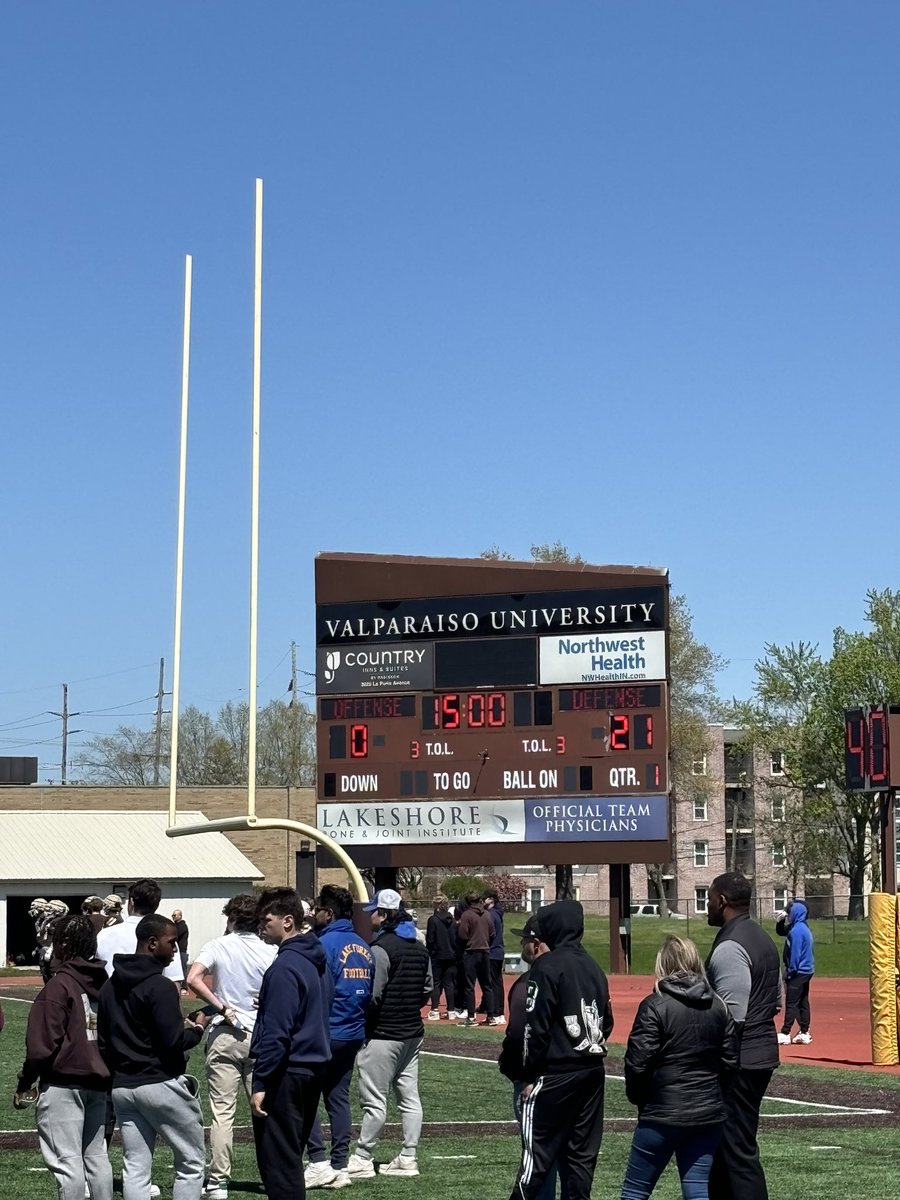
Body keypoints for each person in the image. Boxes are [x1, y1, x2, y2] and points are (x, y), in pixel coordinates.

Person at [97, 913, 208, 1200]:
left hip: (123, 1085)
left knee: (135, 1167)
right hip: (159, 1082)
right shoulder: (159, 986)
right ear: (152, 942)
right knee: (191, 1162)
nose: (175, 949)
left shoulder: (110, 986)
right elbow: (173, 1041)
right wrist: (197, 1028)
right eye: (172, 943)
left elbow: (104, 1041)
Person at [620, 935, 739, 1200]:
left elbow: (637, 1063)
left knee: (635, 1191)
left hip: (662, 1113)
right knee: (697, 1190)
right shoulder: (718, 1005)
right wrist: (714, 1094)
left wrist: (642, 1100)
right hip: (707, 1111)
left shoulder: (655, 1005)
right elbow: (730, 1062)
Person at [510, 899, 613, 1200]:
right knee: (581, 1158)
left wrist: (528, 1074)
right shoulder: (594, 967)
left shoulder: (547, 967)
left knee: (536, 1160)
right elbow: (606, 1023)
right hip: (592, 1071)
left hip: (555, 1074)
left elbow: (535, 1027)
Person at [14, 913, 113, 1200]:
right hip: (98, 1081)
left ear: (64, 945)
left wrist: (25, 1082)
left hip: (64, 1082)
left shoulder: (60, 986)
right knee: (96, 1158)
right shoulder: (104, 984)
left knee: (68, 1162)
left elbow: (41, 1047)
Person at [185, 894, 277, 1200]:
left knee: (222, 1114)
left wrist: (221, 1006)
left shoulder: (217, 946)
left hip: (226, 1033)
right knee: (263, 1110)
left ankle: (218, 1182)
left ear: (231, 919)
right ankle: (271, 1176)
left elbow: (193, 979)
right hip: (261, 1035)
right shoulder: (270, 950)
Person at [250, 888, 333, 1200]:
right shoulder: (314, 959)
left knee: (279, 1163)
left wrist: (261, 1081)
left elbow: (277, 1034)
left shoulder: (286, 965)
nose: (261, 925)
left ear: (288, 921)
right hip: (312, 1065)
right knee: (290, 1156)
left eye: (266, 919)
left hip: (288, 1069)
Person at [347, 888, 432, 1180]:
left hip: (383, 1033)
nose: (371, 915)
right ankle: (408, 1156)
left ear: (383, 915)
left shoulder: (380, 948)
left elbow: (373, 995)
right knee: (409, 1098)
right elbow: (427, 989)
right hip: (412, 1032)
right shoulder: (420, 947)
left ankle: (363, 1156)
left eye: (375, 911)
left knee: (374, 1099)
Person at [705, 872, 780, 1200]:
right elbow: (777, 1002)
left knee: (736, 1151)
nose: (707, 906)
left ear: (722, 901)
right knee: (725, 1149)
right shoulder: (762, 938)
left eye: (709, 899)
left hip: (739, 1060)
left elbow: (732, 1016)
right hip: (759, 1051)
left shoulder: (730, 945)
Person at [305, 884, 375, 1190]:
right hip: (353, 1031)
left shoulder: (324, 944)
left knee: (306, 1097)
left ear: (328, 913)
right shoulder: (364, 946)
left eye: (318, 908)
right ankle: (340, 1164)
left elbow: (319, 990)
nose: (314, 913)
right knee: (338, 1098)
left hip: (327, 1031)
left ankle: (318, 1160)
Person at [498, 912, 558, 1200]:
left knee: (536, 1156)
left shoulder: (527, 983)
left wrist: (520, 1073)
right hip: (565, 1077)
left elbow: (520, 1033)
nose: (522, 944)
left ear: (536, 944)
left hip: (534, 1080)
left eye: (524, 939)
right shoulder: (569, 975)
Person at [97, 880, 184, 986]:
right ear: (156, 905)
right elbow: (174, 981)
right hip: (151, 998)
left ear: (132, 902)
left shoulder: (104, 935)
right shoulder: (165, 938)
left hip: (111, 998)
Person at [775, 900, 814, 1045]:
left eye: (790, 912)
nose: (788, 914)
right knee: (803, 1001)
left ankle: (786, 1032)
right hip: (806, 971)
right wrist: (780, 920)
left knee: (791, 1002)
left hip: (798, 971)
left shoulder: (797, 931)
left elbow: (795, 953)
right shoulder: (800, 926)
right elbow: (781, 931)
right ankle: (805, 1032)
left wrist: (791, 971)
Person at [456, 890, 496, 1026]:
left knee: (469, 986)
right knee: (487, 985)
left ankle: (471, 1017)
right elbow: (492, 933)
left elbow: (462, 935)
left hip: (471, 952)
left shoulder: (467, 915)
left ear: (468, 902)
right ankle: (491, 1016)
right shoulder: (487, 914)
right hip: (485, 951)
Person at [426, 894, 458, 1020]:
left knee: (436, 983)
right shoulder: (453, 921)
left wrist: (430, 951)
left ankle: (434, 1010)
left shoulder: (433, 920)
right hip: (451, 955)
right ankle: (451, 1010)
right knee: (449, 983)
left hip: (437, 955)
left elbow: (430, 939)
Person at [484, 888, 507, 1024]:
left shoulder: (491, 915)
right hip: (498, 951)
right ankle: (499, 1013)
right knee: (498, 983)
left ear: (491, 899)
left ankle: (495, 1013)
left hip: (492, 952)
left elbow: (489, 934)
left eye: (484, 899)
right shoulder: (497, 913)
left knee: (492, 984)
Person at [172, 910, 190, 981]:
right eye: (172, 915)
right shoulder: (174, 926)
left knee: (183, 970)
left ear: (180, 916)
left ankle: (184, 987)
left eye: (174, 915)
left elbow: (175, 935)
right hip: (175, 952)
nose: (173, 917)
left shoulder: (183, 926)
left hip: (181, 951)